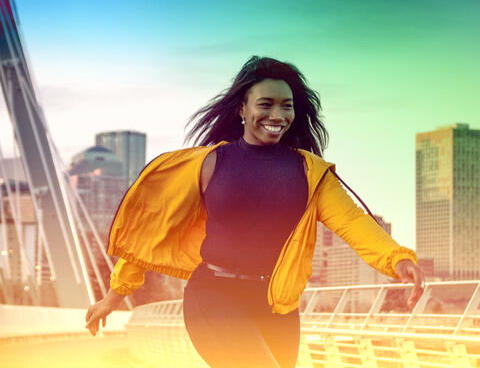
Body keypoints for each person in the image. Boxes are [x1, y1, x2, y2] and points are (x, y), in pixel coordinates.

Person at [84, 56, 423, 368]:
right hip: (213, 296)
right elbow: (153, 230)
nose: (277, 116)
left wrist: (396, 258)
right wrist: (114, 297)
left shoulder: (311, 173)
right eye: (266, 104)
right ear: (242, 110)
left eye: (286, 107)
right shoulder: (208, 164)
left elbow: (352, 221)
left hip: (277, 304)